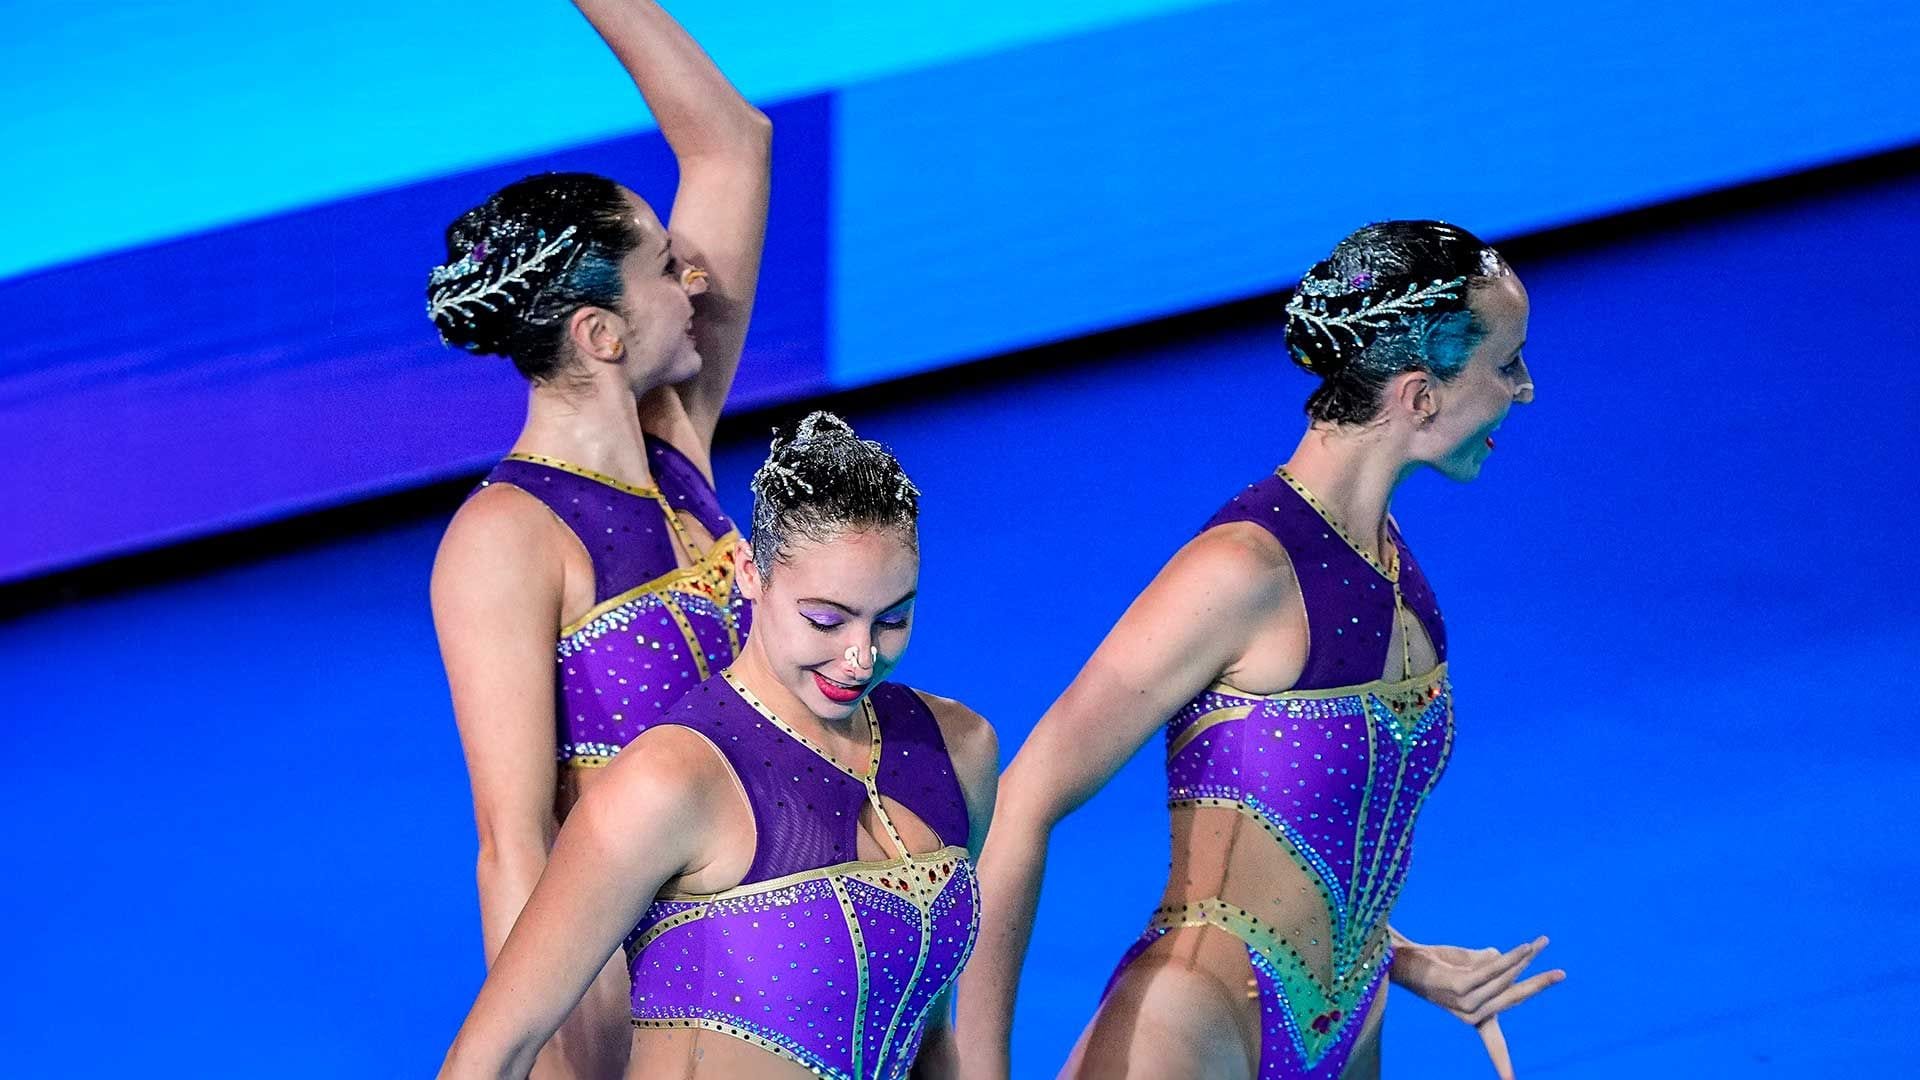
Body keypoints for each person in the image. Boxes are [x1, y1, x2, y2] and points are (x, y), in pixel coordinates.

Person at [958, 222, 1563, 1079]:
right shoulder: (1241, 569)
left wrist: (1408, 960)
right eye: (1508, 364)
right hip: (1191, 1031)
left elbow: (1304, 843)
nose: (1525, 389)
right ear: (1421, 396)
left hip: (1349, 1029)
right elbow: (1021, 801)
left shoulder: (1392, 567)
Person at [439, 412, 999, 1080]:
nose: (858, 656)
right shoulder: (669, 784)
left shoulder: (958, 750)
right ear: (748, 574)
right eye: (825, 619)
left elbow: (930, 1036)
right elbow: (489, 1054)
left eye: (893, 619)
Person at [426, 2, 770, 1073]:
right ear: (602, 333)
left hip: (794, 937)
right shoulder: (505, 539)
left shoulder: (680, 447)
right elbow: (517, 848)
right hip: (659, 985)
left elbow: (731, 141)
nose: (698, 280)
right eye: (670, 267)